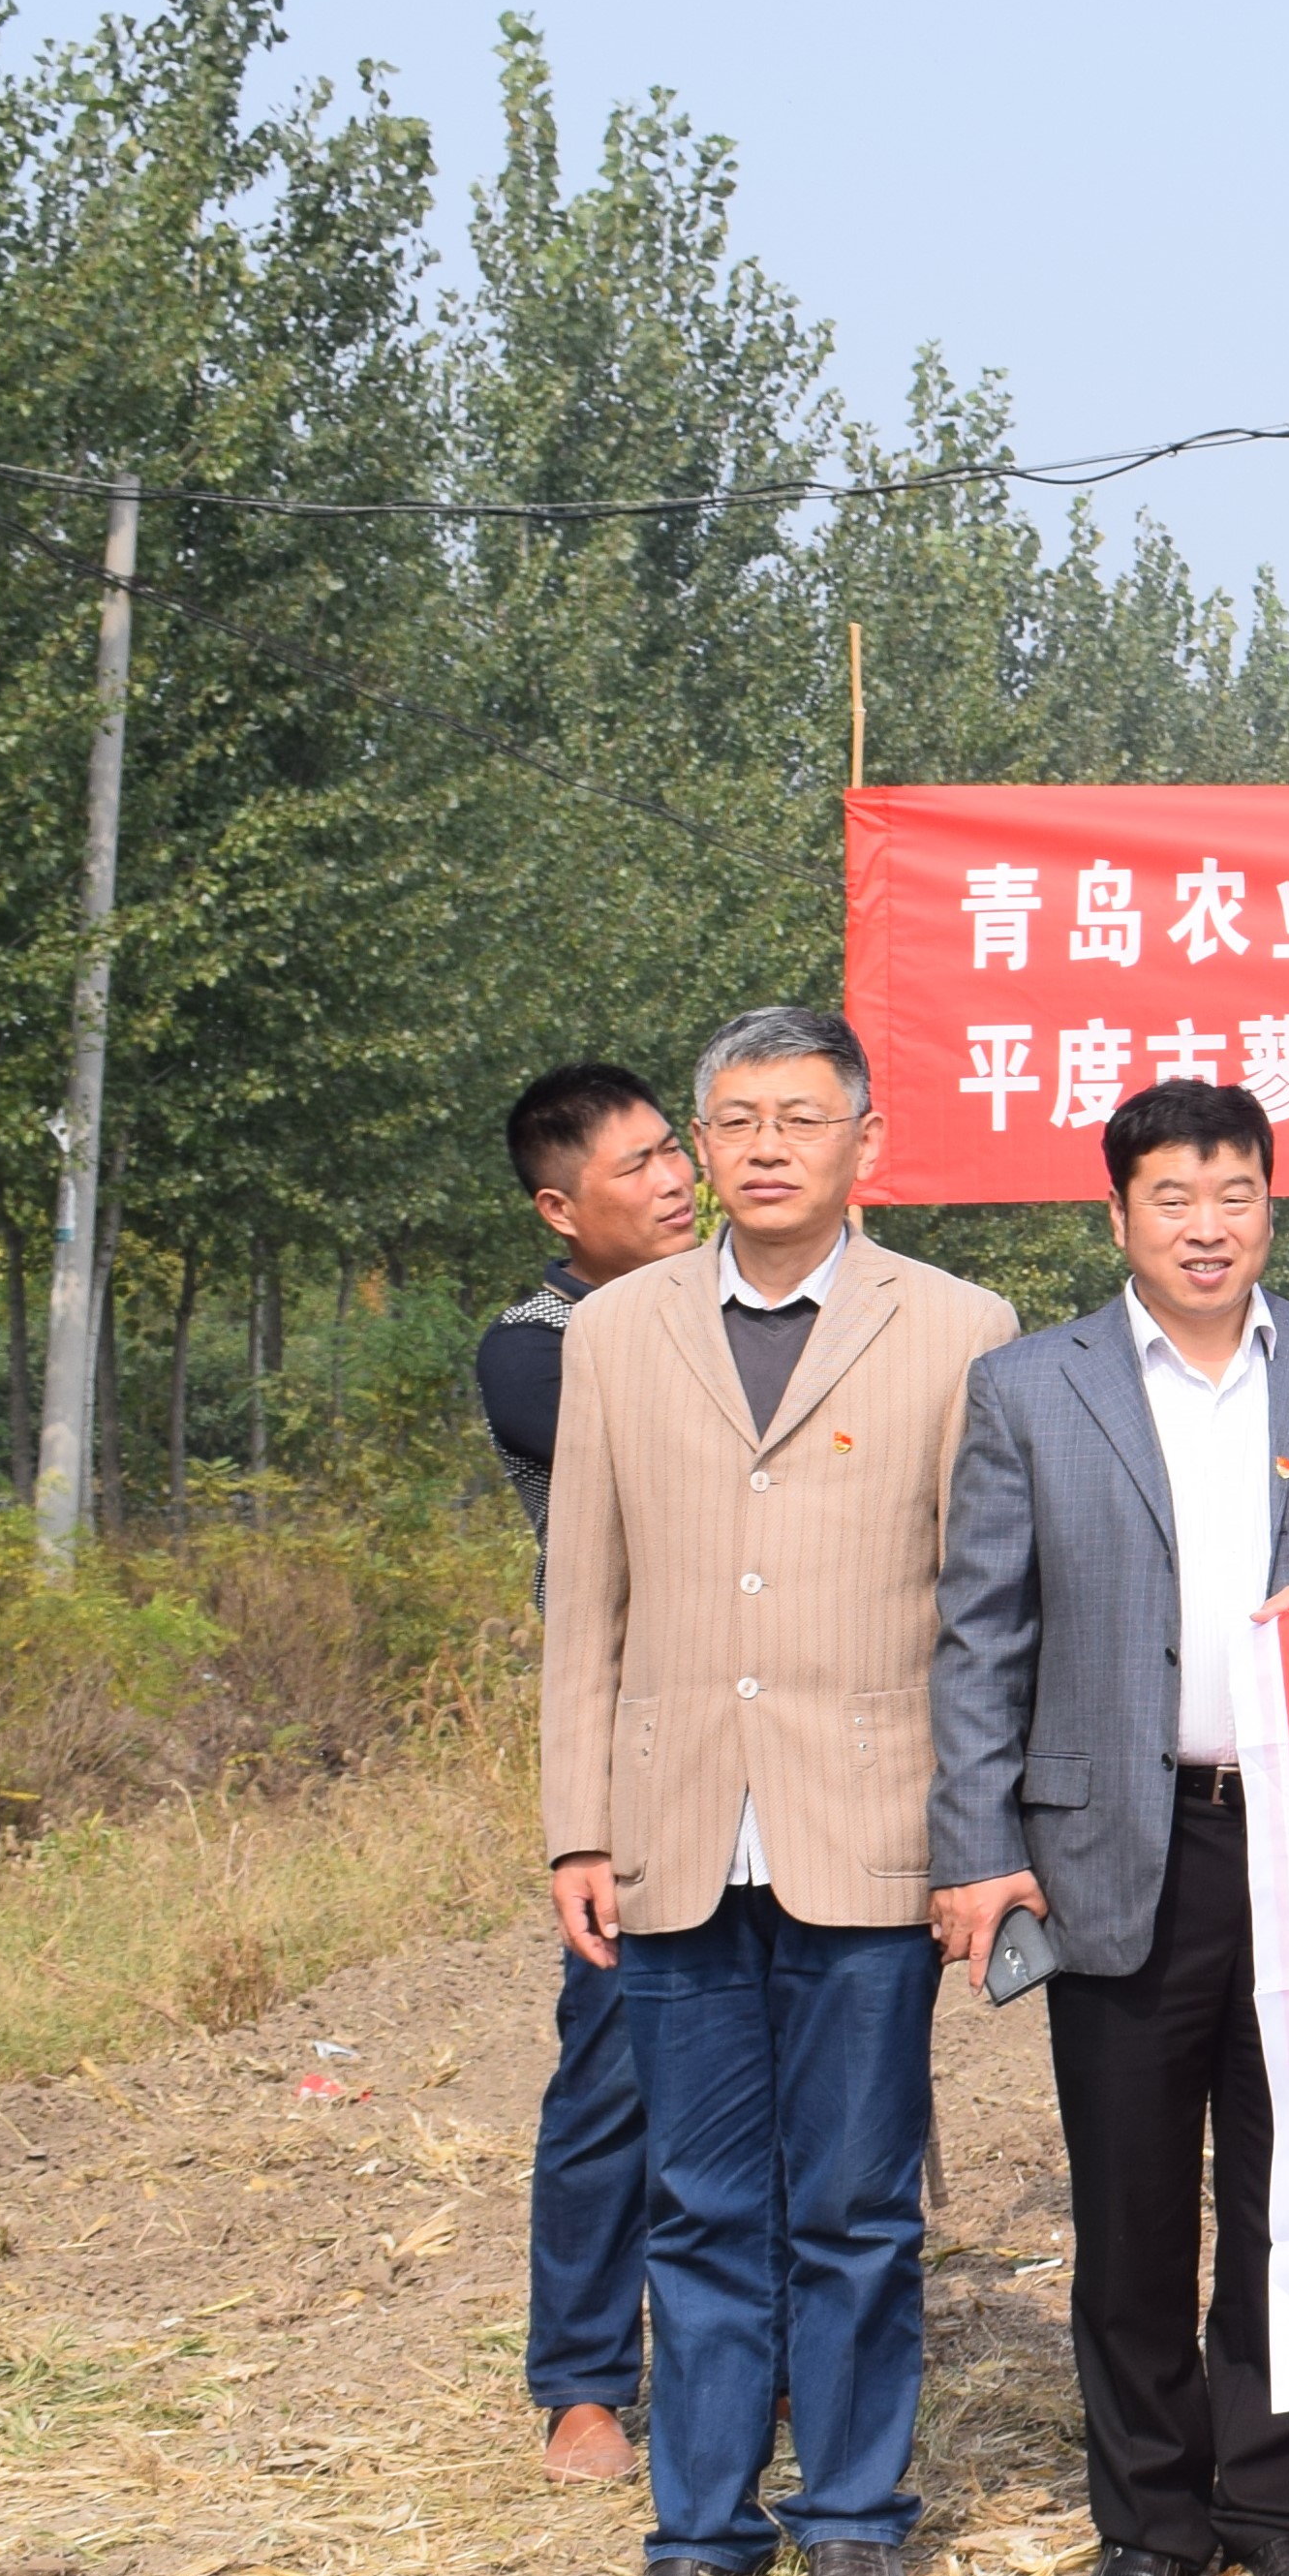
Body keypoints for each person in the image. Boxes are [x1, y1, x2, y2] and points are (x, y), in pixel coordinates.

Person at [926, 1079, 1289, 2576]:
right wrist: (979, 1847)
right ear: (1119, 1214)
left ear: (1274, 1203)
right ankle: (1147, 2523)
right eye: (1173, 1198)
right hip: (1107, 1847)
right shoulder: (1030, 1386)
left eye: (1235, 1194)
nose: (1207, 1227)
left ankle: (1280, 2510)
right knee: (1132, 2206)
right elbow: (980, 1633)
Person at [539, 1006, 1017, 2576]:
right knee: (695, 2200)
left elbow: (980, 1614)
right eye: (735, 1119)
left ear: (863, 1142)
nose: (763, 1148)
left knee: (861, 2203)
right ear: (703, 1142)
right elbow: (584, 1601)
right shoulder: (620, 1331)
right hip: (673, 1823)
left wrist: (977, 1836)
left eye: (799, 1118)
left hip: (868, 1825)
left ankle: (856, 2513)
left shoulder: (957, 1326)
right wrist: (577, 1824)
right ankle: (700, 2526)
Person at [476, 1061, 703, 2490]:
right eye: (636, 1165)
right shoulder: (536, 1348)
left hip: (774, 1740)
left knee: (777, 2069)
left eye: (675, 1147)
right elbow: (691, 1461)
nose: (676, 1178)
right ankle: (581, 2381)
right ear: (562, 1209)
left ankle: (749, 2355)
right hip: (632, 1754)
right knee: (615, 2067)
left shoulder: (737, 1305)